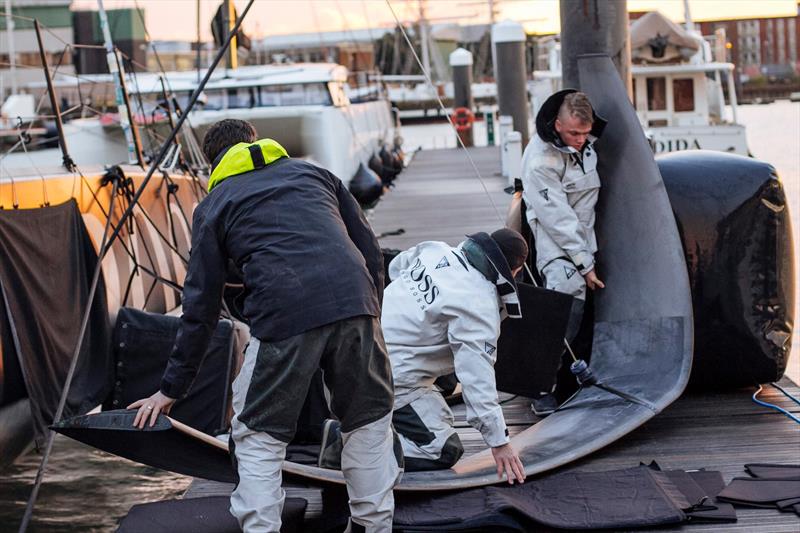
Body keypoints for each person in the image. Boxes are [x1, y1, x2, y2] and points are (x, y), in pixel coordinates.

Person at [129, 119, 401, 532]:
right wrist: (370, 313)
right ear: (257, 145)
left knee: (257, 436)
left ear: (211, 163)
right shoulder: (317, 175)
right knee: (367, 422)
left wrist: (171, 389)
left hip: (284, 314)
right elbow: (370, 252)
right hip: (357, 303)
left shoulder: (214, 206)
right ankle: (372, 526)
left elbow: (200, 307)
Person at [323, 229, 528, 483]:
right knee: (443, 449)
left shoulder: (435, 249)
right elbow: (478, 380)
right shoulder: (479, 308)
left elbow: (396, 268)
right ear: (513, 272)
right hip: (385, 378)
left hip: (353, 351)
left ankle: (364, 420)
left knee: (447, 377)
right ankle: (343, 444)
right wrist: (500, 442)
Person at [519, 89, 607, 416]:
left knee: (579, 300)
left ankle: (570, 371)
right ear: (557, 125)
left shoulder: (585, 143)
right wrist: (584, 263)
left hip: (584, 233)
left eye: (586, 133)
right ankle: (540, 384)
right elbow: (556, 217)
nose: (581, 139)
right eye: (573, 133)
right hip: (554, 236)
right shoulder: (542, 160)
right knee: (565, 290)